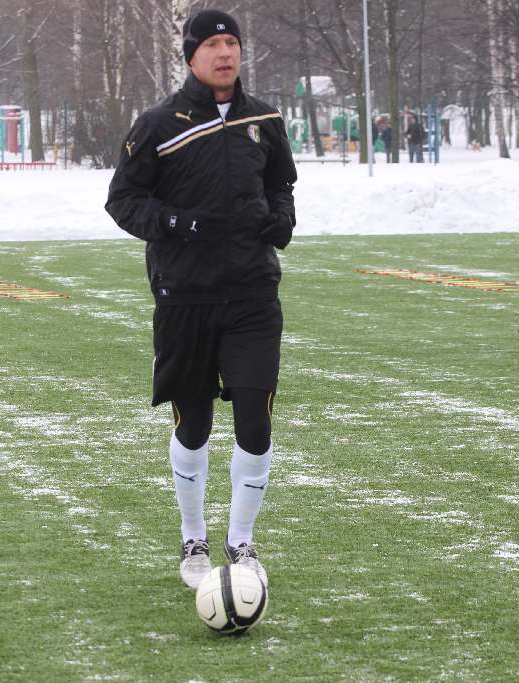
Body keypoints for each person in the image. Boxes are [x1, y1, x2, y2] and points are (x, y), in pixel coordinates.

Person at [105, 9, 296, 590]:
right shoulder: (159, 123)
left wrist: (282, 218)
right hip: (185, 297)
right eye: (212, 44)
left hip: (252, 294)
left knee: (254, 420)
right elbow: (122, 200)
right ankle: (194, 538)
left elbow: (279, 182)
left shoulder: (264, 118)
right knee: (194, 426)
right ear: (190, 56)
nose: (225, 53)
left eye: (232, 43)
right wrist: (175, 222)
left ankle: (241, 544)